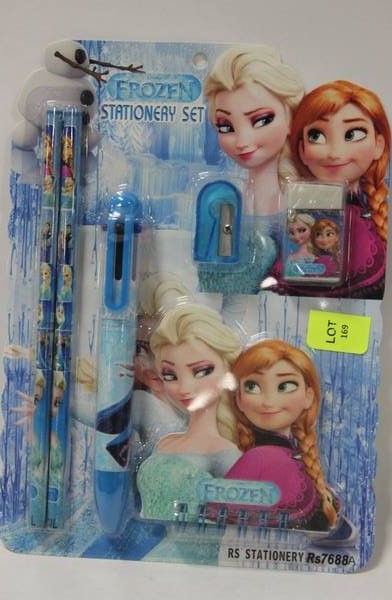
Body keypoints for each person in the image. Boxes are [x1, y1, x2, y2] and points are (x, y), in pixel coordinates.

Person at [198, 45, 305, 309]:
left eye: (261, 120)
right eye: (226, 126)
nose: (242, 141)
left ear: (291, 118)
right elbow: (214, 279)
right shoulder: (226, 202)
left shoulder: (303, 201)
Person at [274, 79, 390, 298]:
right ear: (302, 149)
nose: (335, 153)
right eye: (316, 136)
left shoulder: (363, 219)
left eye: (353, 134)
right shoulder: (300, 207)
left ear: (379, 145)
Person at [136, 303, 242, 520]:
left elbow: (236, 518)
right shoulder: (165, 442)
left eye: (201, 371)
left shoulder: (226, 454)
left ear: (227, 368)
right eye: (170, 375)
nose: (184, 388)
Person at [224, 339, 339, 531]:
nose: (269, 402)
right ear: (239, 400)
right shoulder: (260, 458)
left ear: (308, 396)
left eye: (285, 386)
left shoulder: (282, 457)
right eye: (252, 386)